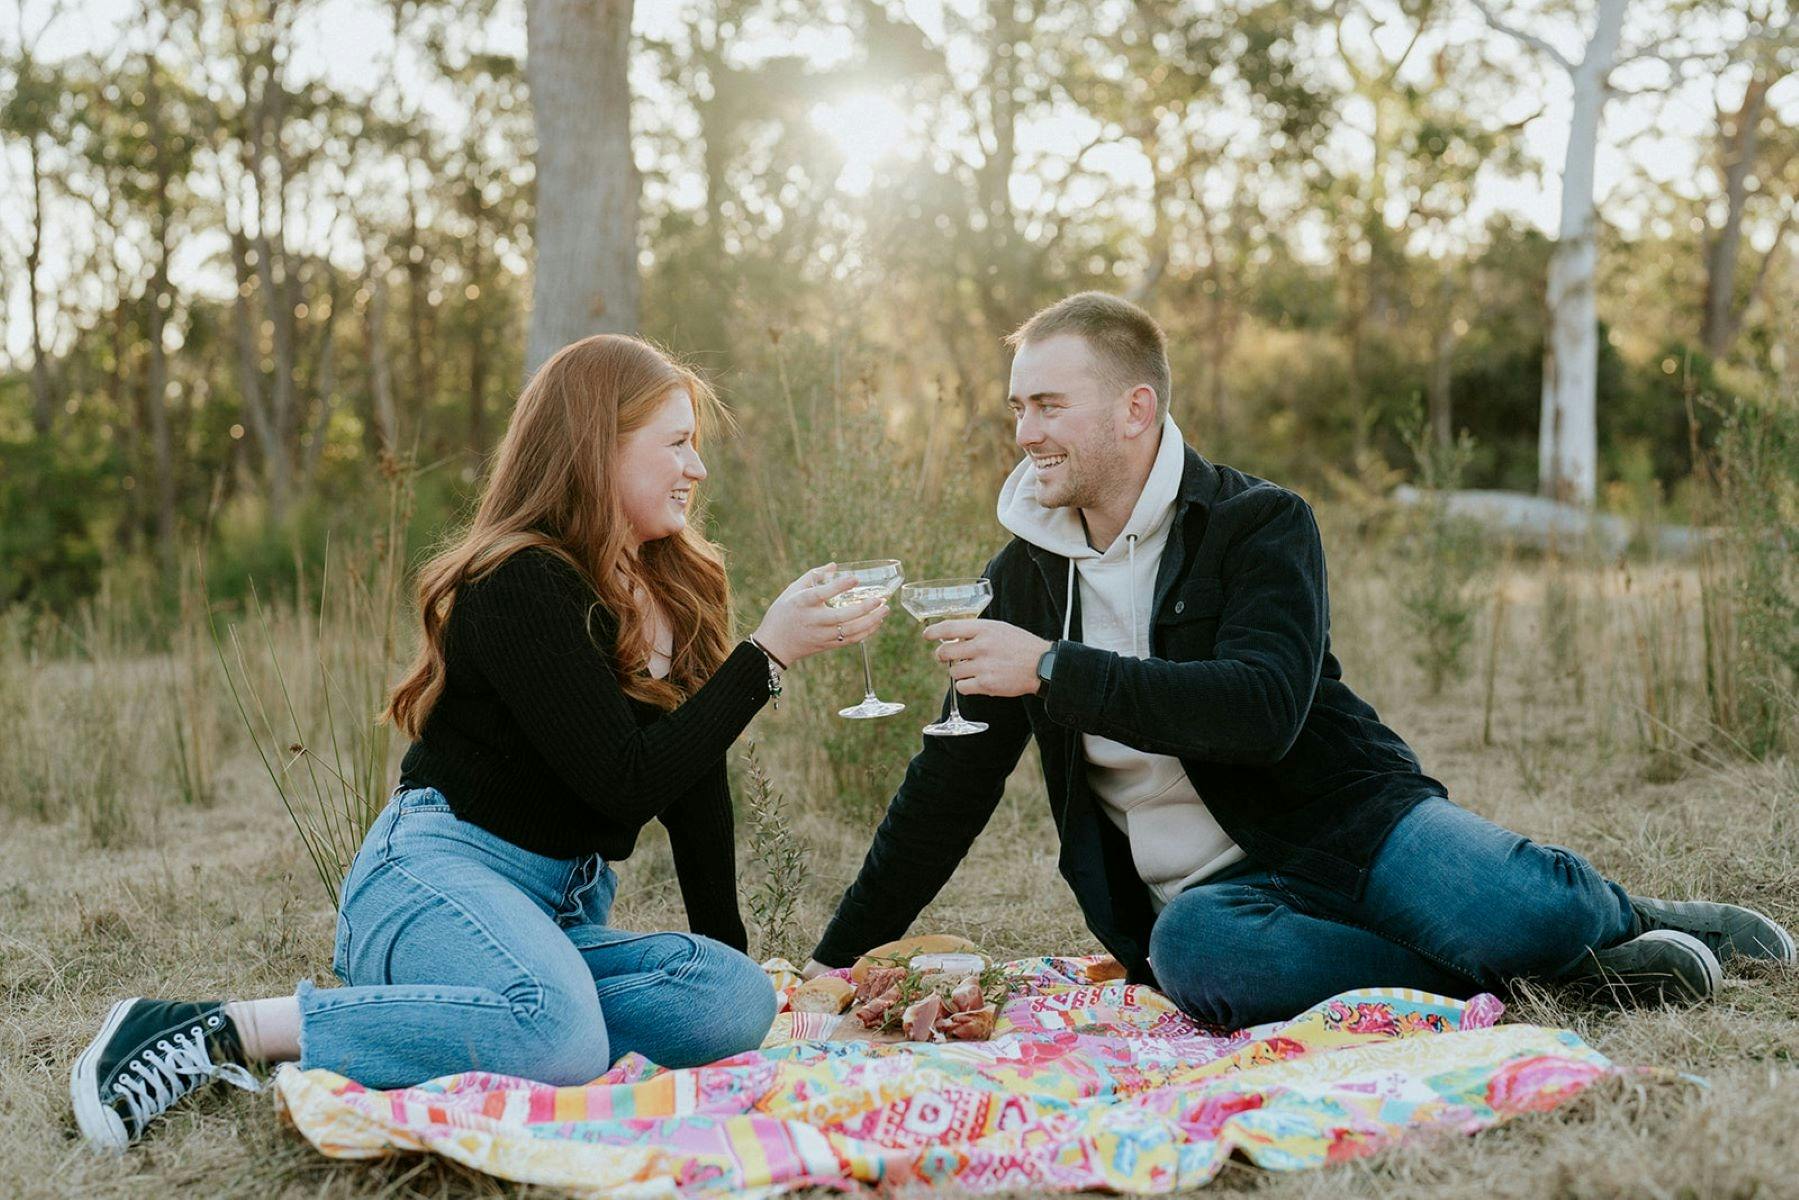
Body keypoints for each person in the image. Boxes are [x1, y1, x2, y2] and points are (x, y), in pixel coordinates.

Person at [802, 291, 1793, 1028]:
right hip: (1221, 904)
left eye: (1048, 407)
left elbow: (1260, 707)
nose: (1023, 435)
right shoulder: (1019, 579)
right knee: (1195, 957)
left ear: (1133, 410)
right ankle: (1525, 981)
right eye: (1016, 409)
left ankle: (1627, 922)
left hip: (1352, 826)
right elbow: (947, 787)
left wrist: (1055, 670)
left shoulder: (1257, 524)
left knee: (1515, 906)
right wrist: (832, 966)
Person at [72, 334, 889, 1150]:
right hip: (436, 879)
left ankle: (479, 1019)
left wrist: (724, 959)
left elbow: (691, 785)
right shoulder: (520, 583)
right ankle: (216, 1029)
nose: (697, 469)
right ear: (595, 448)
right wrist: (764, 656)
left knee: (732, 1001)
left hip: (555, 915)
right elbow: (623, 783)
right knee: (560, 1040)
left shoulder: (672, 586)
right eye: (676, 444)